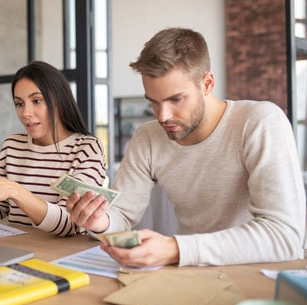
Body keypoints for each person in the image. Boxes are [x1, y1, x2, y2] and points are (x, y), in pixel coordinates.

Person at [66, 27, 306, 266]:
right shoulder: (147, 138)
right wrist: (100, 222)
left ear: (207, 84)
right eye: (154, 102)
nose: (162, 116)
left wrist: (175, 248)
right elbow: (121, 215)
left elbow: (285, 236)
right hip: (192, 273)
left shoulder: (260, 122)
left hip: (262, 276)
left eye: (175, 99)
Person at [0, 60, 106, 237]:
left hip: (60, 256)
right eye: (19, 103)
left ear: (60, 101)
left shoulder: (87, 149)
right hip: (17, 248)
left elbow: (69, 223)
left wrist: (16, 191)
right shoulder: (12, 146)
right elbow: (0, 207)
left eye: (37, 100)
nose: (25, 113)